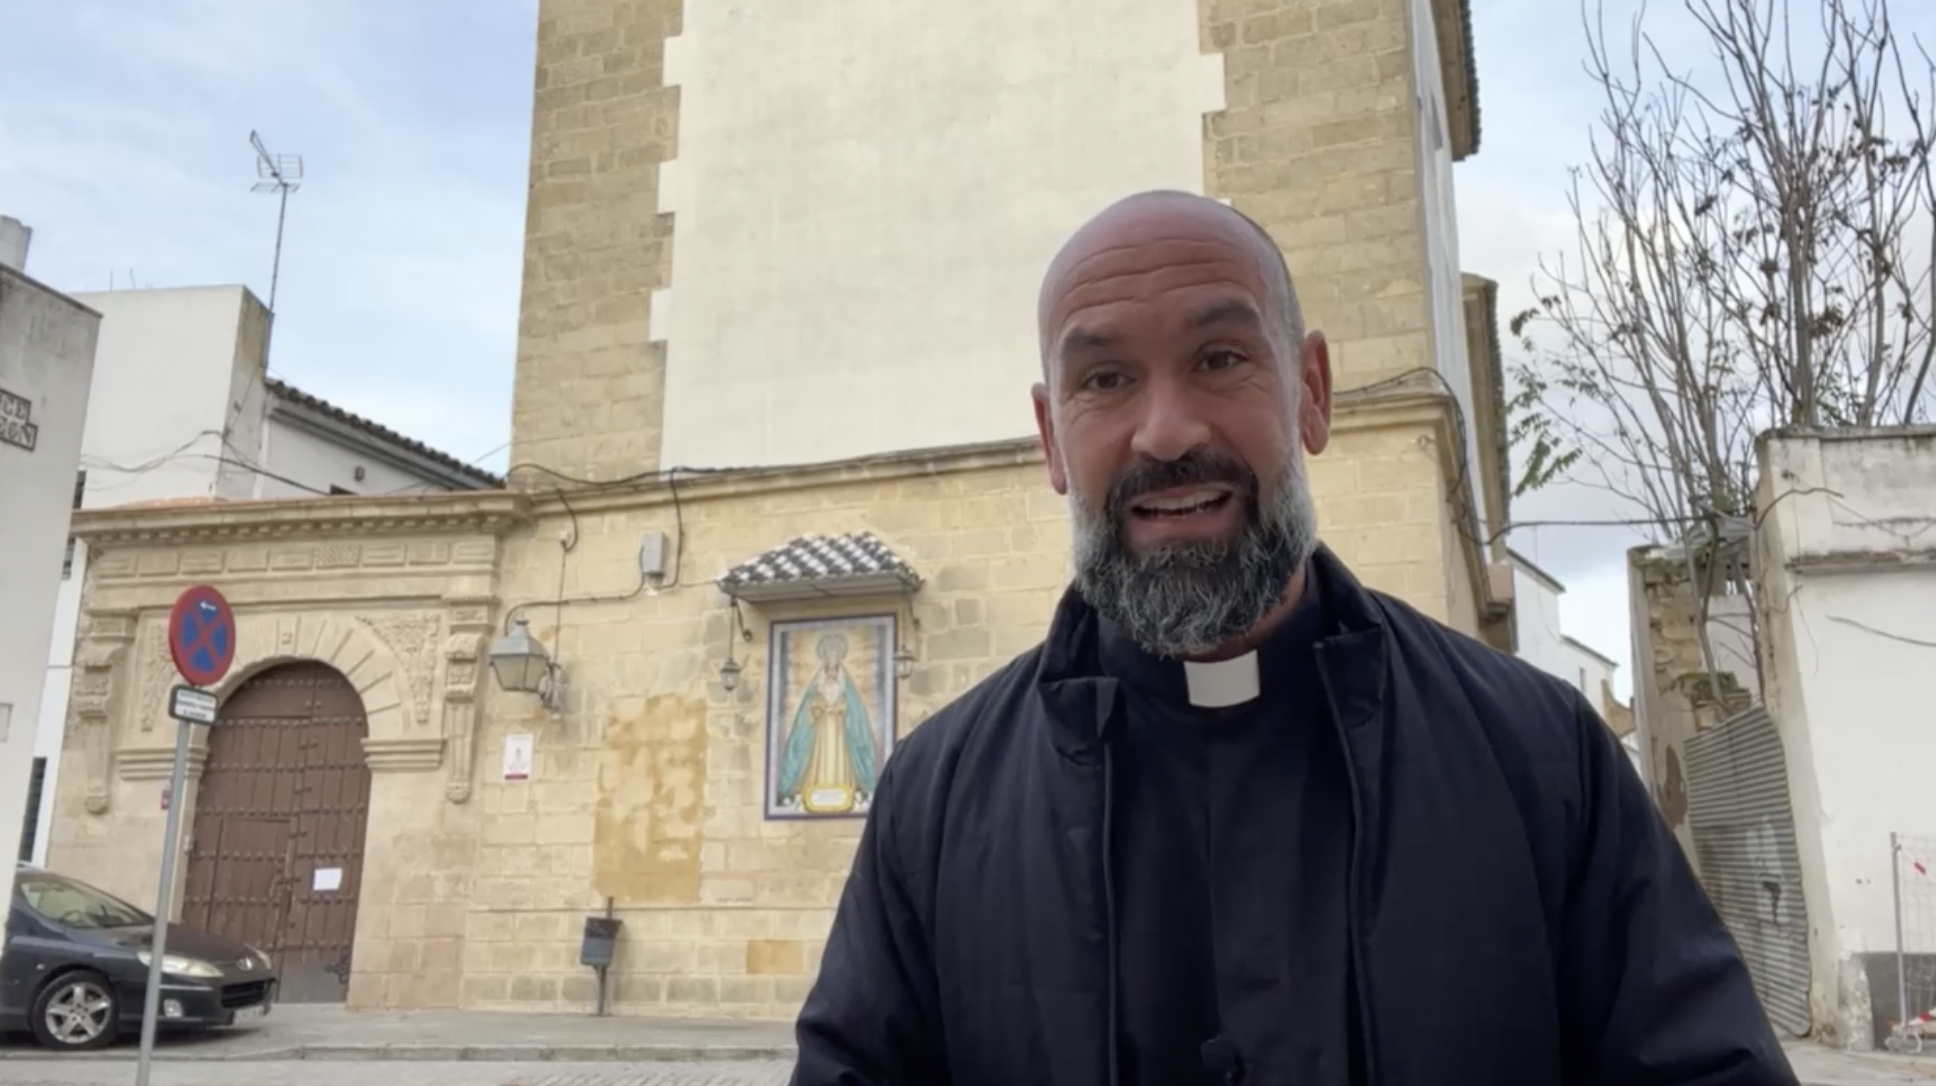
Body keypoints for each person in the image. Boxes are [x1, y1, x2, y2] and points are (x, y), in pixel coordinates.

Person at [789, 190, 1797, 1086]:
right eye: (1104, 379)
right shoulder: (937, 798)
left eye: (1219, 358)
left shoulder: (1537, 756)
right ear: (1053, 439)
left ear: (1309, 392)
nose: (1166, 431)